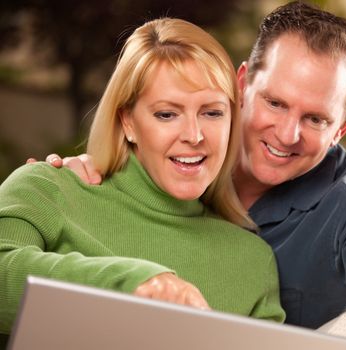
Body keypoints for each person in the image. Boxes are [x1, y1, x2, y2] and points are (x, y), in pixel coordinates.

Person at [36, 1, 346, 343]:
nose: (287, 133)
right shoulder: (185, 154)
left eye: (315, 118)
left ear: (342, 127)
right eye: (275, 102)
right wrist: (71, 181)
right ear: (244, 83)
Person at [0, 17, 285, 340]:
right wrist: (133, 284)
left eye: (212, 112)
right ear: (128, 122)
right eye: (167, 114)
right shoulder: (48, 188)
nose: (194, 135)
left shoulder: (252, 262)